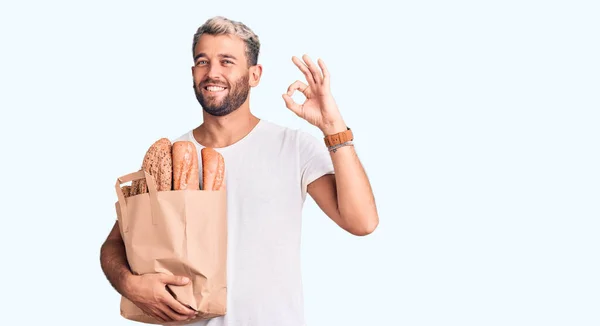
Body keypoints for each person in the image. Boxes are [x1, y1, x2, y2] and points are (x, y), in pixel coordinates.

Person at [100, 16, 379, 326]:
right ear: (193, 73)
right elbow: (115, 244)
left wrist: (332, 126)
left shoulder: (293, 147)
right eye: (202, 61)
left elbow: (362, 222)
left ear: (254, 75)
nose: (212, 72)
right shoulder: (170, 155)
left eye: (227, 61)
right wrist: (129, 284)